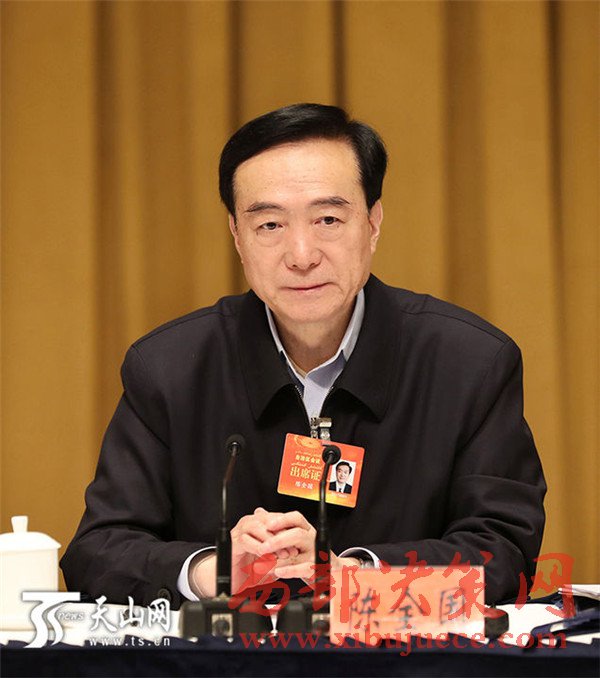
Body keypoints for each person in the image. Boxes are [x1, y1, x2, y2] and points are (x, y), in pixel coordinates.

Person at [61, 103, 546, 608]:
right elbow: (97, 552)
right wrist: (215, 571)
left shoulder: (469, 365)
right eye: (270, 225)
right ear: (237, 236)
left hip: (399, 649)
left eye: (328, 219)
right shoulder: (169, 369)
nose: (301, 255)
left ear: (373, 223)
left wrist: (352, 577)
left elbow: (504, 552)